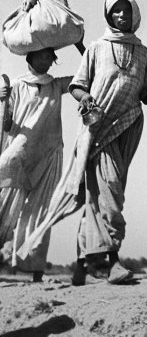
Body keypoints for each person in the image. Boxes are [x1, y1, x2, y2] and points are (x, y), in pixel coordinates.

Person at [68, 0, 147, 285]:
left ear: (134, 15)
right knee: (109, 189)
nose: (121, 15)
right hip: (98, 126)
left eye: (126, 11)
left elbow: (143, 92)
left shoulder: (144, 53)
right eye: (116, 11)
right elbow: (77, 86)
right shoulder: (96, 48)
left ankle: (82, 263)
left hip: (130, 124)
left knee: (105, 191)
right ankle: (114, 262)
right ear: (109, 15)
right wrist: (86, 101)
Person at [0, 48, 78, 282]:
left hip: (49, 153)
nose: (45, 60)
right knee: (4, 207)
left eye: (49, 56)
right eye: (41, 55)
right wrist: (2, 99)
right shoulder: (16, 85)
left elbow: (88, 75)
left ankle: (35, 271)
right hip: (19, 151)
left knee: (41, 211)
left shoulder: (57, 85)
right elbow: (6, 125)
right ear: (30, 57)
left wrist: (81, 45)